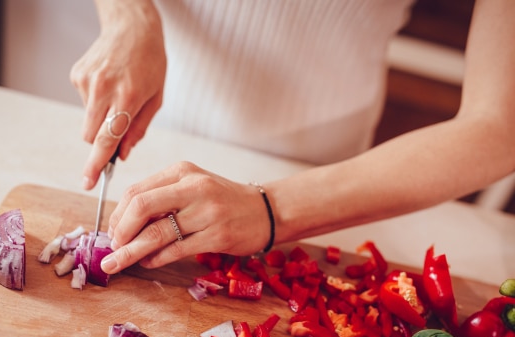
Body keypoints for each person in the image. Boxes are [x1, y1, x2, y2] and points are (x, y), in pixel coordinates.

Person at [69, 0, 515, 276]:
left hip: (320, 169)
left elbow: (499, 127)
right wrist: (129, 15)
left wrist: (271, 208)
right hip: (158, 113)